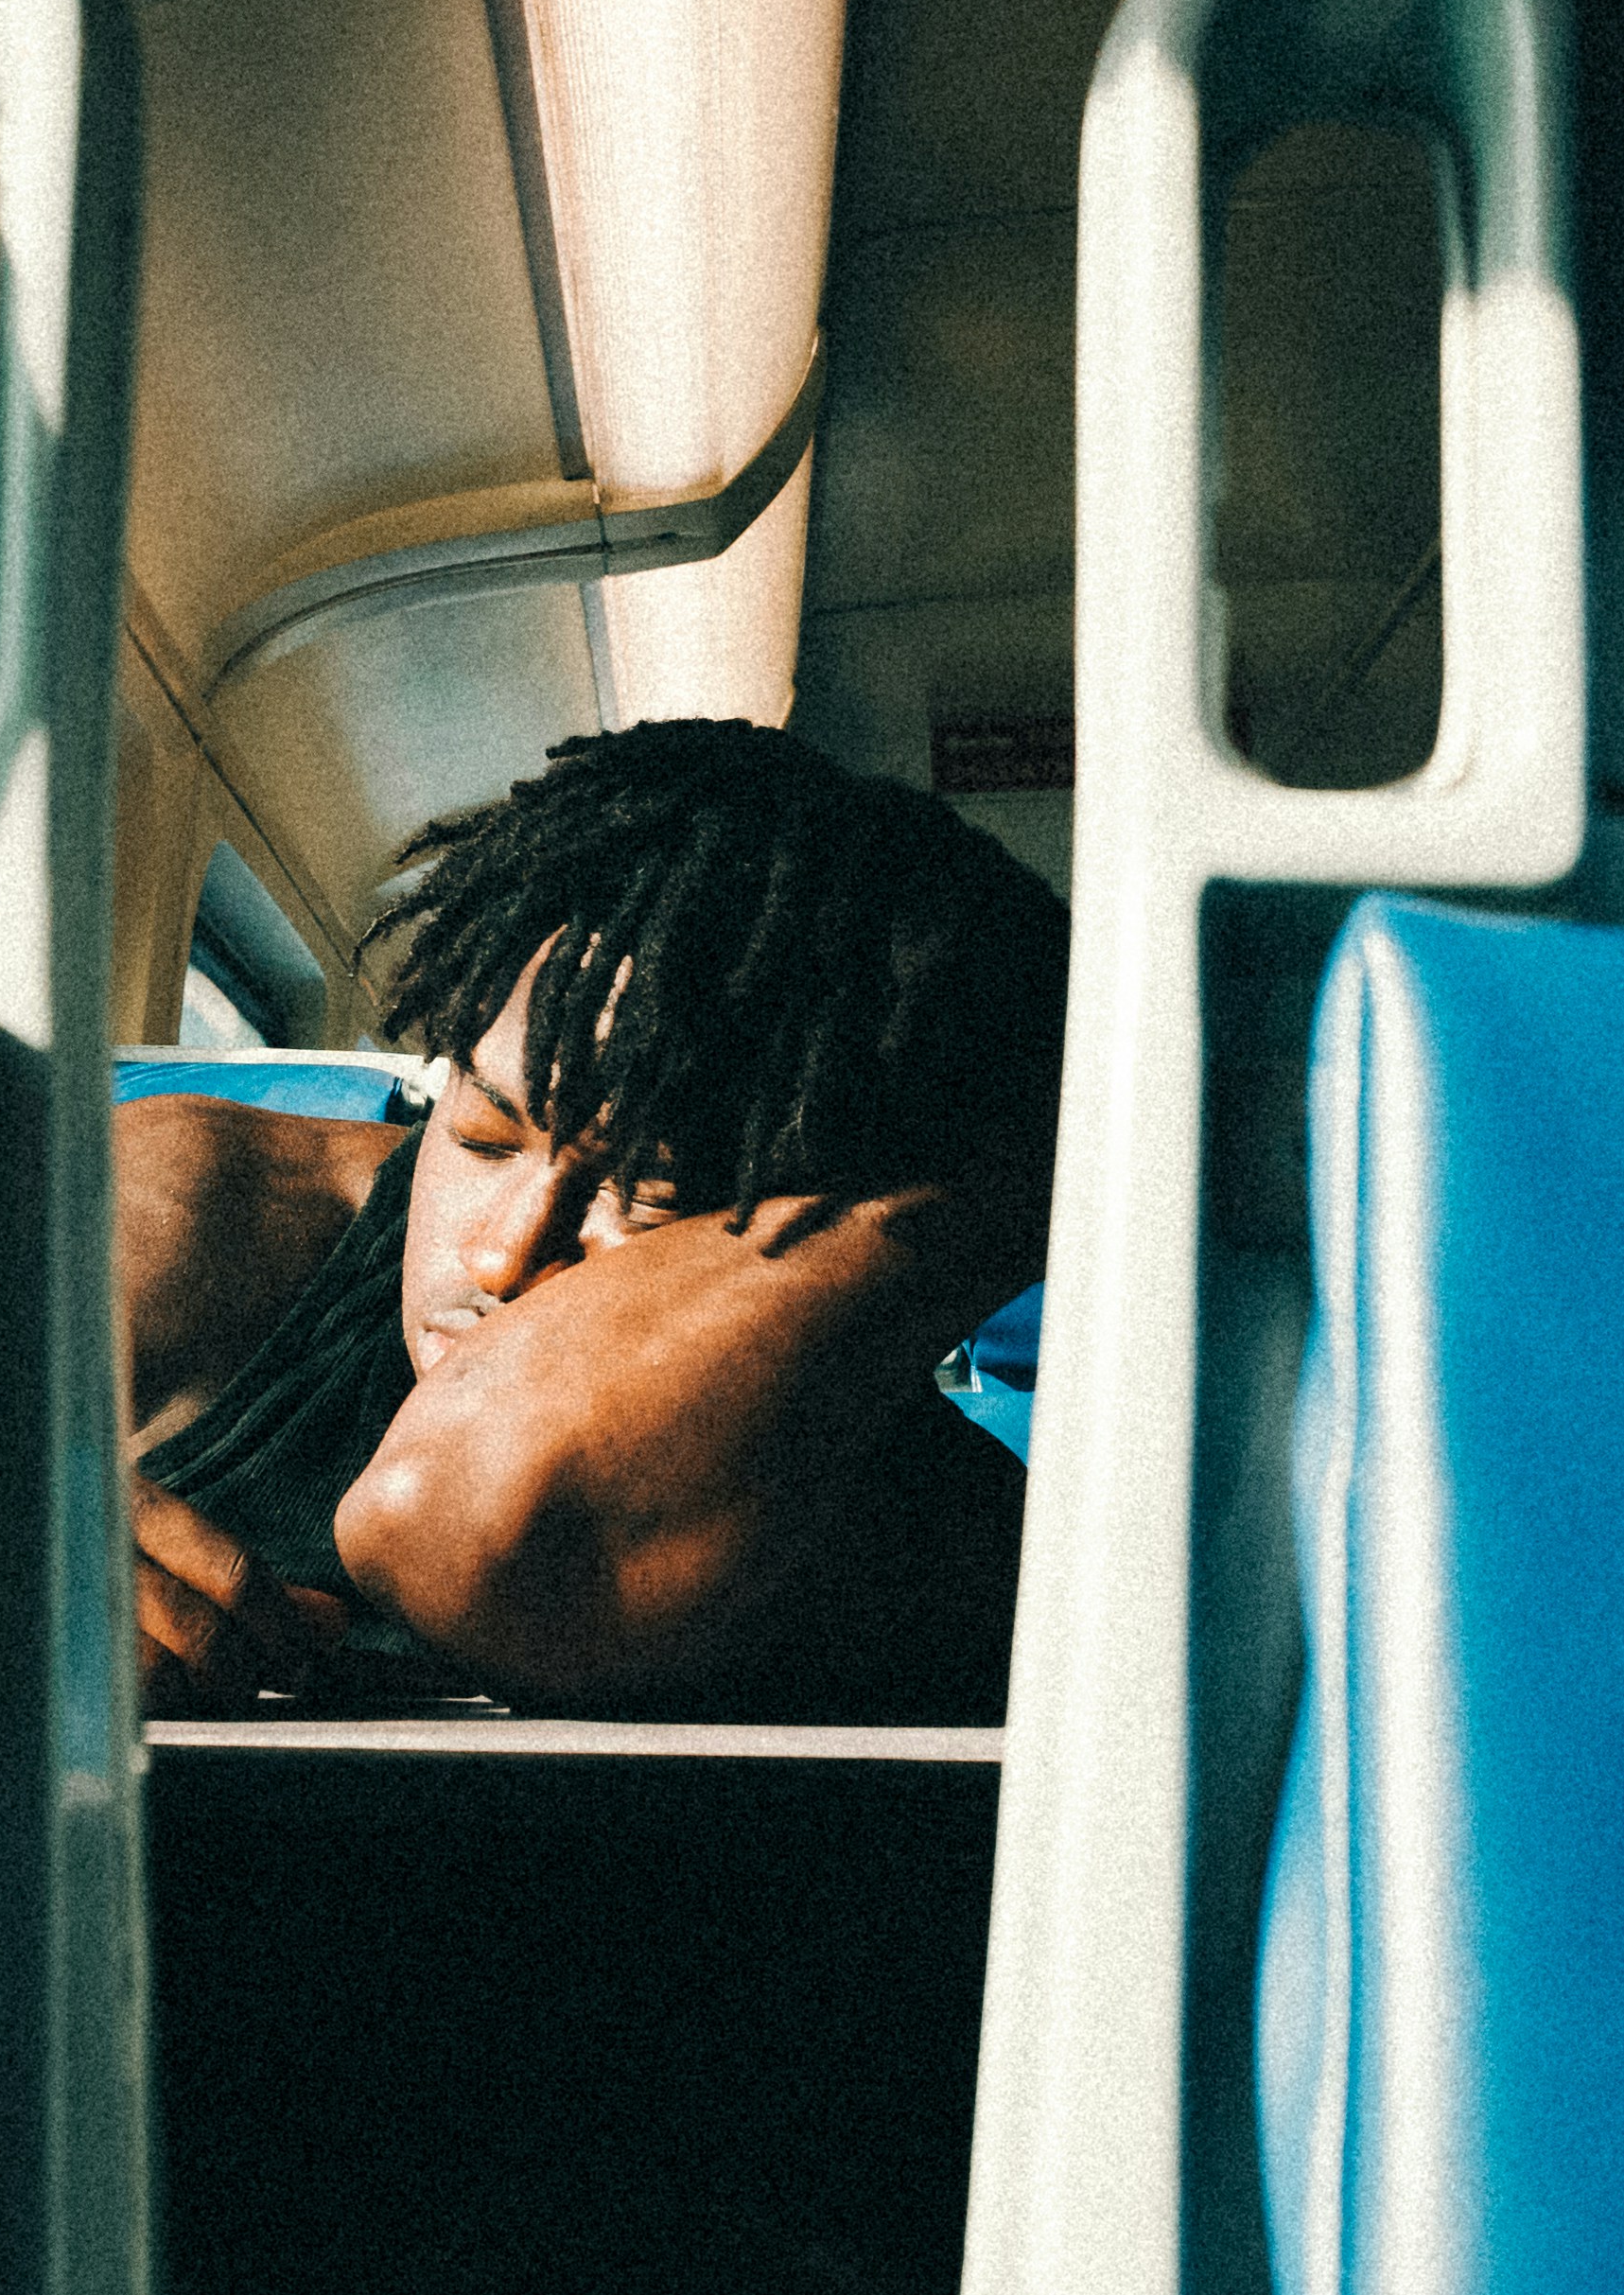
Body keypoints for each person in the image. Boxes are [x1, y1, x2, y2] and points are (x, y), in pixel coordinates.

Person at [117, 718, 1067, 1722]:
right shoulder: (190, 1207)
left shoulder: (945, 1529)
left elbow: (471, 1516)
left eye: (652, 1186)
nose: (504, 1250)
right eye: (482, 1133)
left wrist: (1006, 1173)